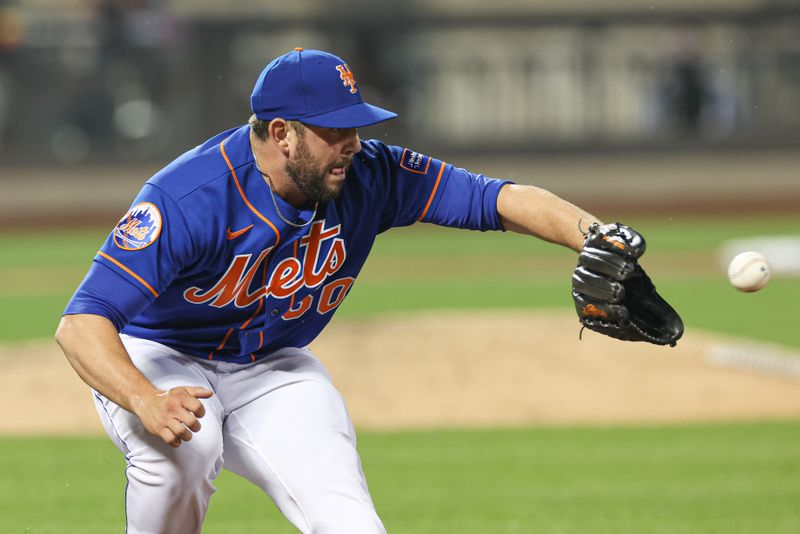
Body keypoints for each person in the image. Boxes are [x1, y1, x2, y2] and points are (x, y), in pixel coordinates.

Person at [55, 48, 601, 533]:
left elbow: (499, 199)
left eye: (354, 128)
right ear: (281, 133)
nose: (352, 145)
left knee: (348, 519)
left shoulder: (372, 173)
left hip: (271, 366)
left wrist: (600, 238)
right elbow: (81, 324)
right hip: (162, 354)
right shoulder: (188, 196)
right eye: (333, 132)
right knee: (187, 452)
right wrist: (144, 398)